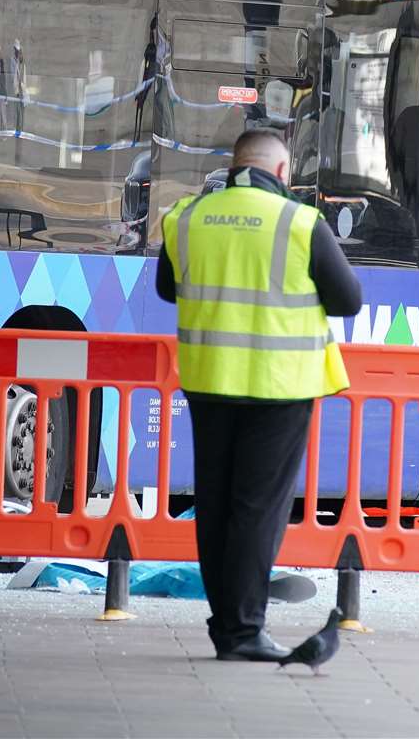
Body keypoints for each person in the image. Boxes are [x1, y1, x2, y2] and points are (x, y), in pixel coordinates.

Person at [155, 129, 361, 662]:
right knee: (256, 511)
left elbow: (165, 287)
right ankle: (243, 632)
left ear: (235, 165)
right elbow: (348, 299)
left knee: (216, 506)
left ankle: (228, 627)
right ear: (283, 169)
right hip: (279, 386)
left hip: (209, 381)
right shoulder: (298, 221)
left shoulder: (189, 217)